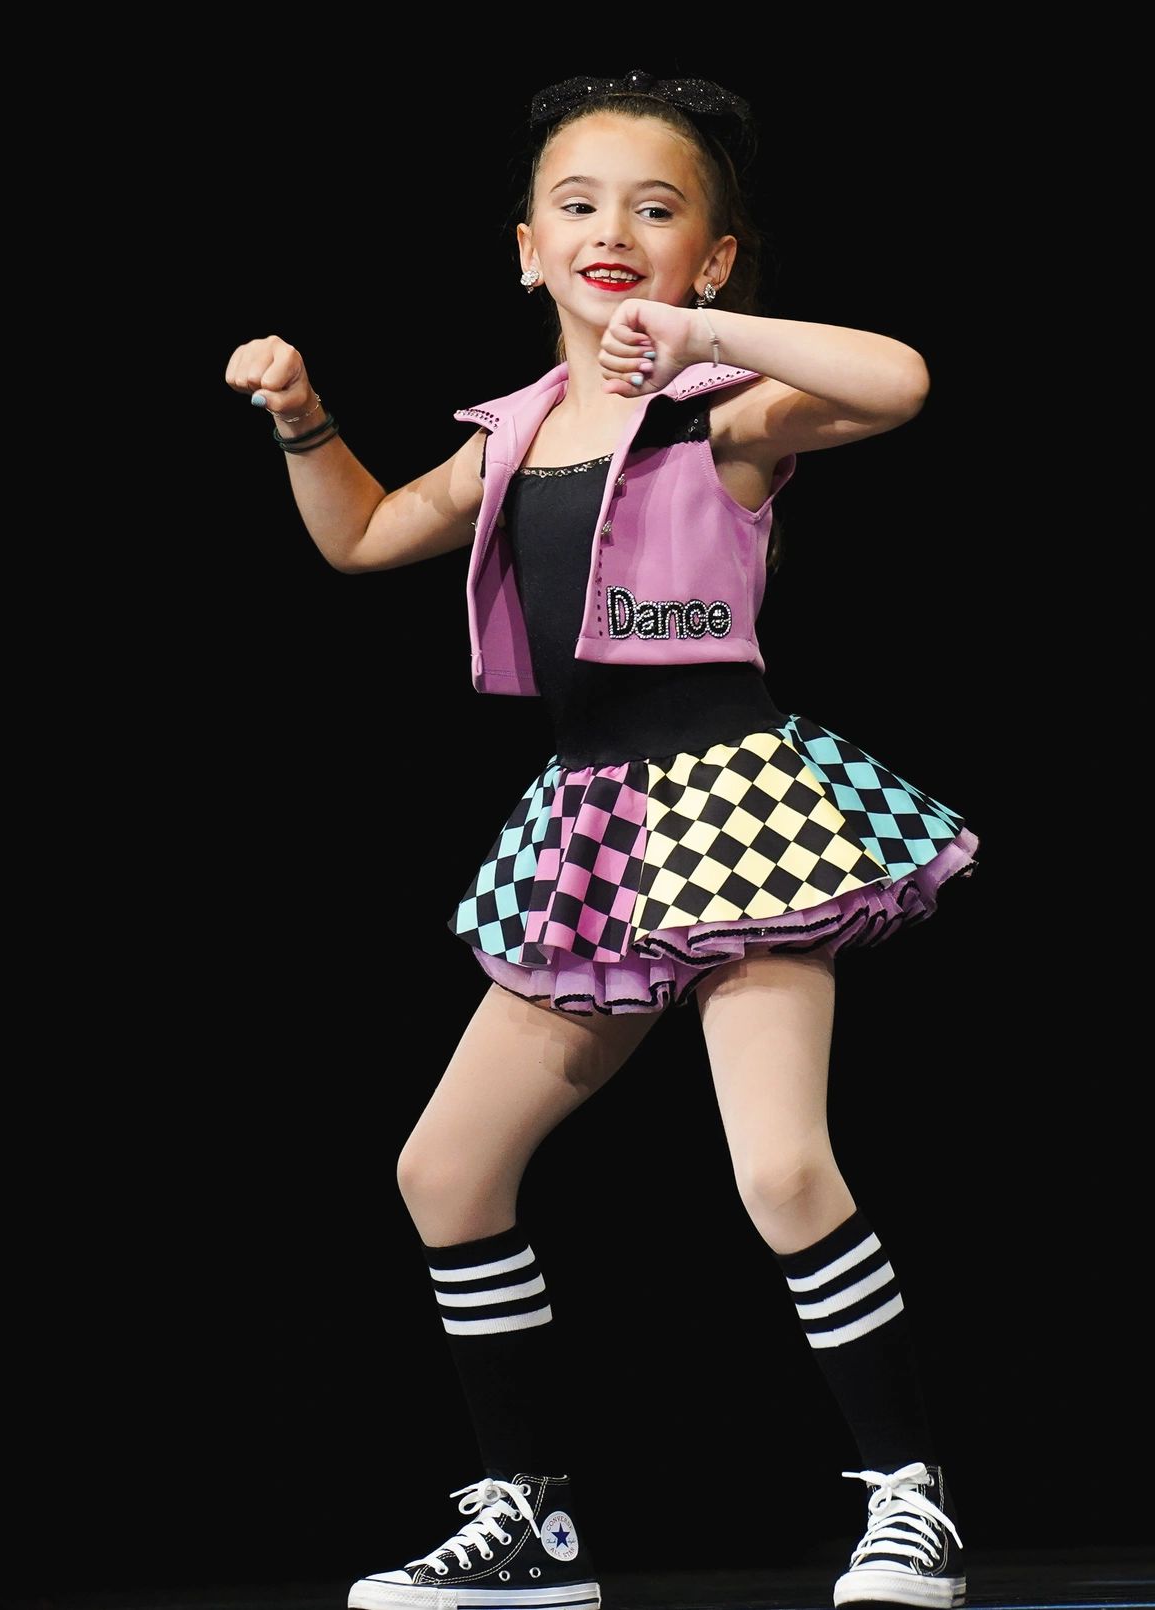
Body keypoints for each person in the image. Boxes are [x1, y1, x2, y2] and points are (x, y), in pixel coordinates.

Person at [220, 69, 981, 1610]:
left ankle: (909, 1501)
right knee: (445, 1170)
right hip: (589, 826)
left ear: (709, 254)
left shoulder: (729, 414)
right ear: (525, 247)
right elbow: (364, 534)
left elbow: (898, 380)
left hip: (732, 809)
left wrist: (709, 339)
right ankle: (528, 1522)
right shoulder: (511, 437)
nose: (611, 229)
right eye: (578, 204)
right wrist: (305, 423)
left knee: (779, 1166)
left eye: (655, 207)